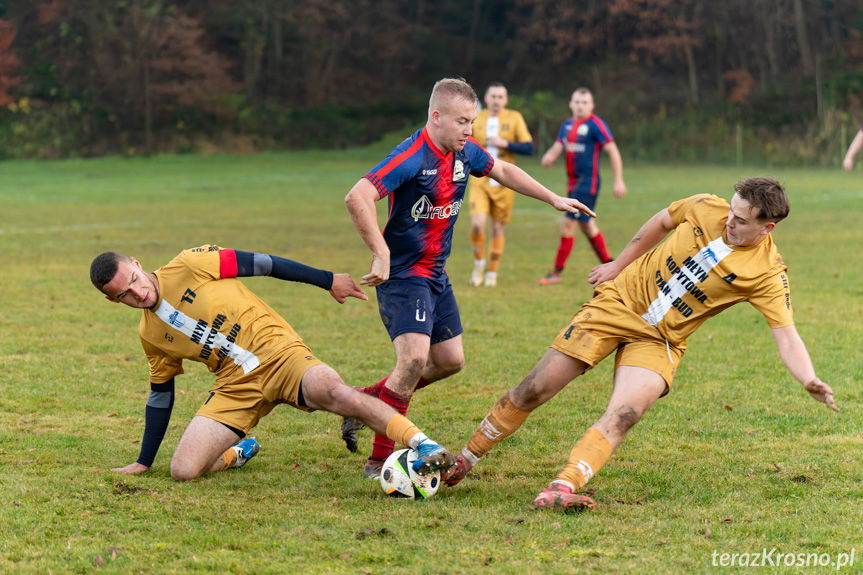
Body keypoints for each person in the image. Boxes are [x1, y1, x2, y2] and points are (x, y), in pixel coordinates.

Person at [442, 177, 839, 511]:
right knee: (534, 389)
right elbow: (663, 220)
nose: (729, 221)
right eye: (731, 211)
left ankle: (563, 486)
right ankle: (465, 458)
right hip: (618, 303)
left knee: (626, 413)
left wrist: (808, 379)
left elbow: (786, 334)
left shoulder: (768, 272)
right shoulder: (705, 206)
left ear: (767, 228)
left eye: (741, 220)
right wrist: (619, 263)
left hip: (661, 339)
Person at [342, 77, 596, 479]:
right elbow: (357, 196)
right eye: (462, 121)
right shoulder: (410, 156)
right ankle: (380, 460)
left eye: (472, 122)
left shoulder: (464, 153)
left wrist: (553, 198)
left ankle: (362, 404)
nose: (469, 130)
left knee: (450, 361)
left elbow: (505, 170)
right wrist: (381, 251)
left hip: (436, 274)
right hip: (404, 275)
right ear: (436, 116)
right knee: (411, 362)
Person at [89, 245, 456, 481]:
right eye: (124, 295)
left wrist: (327, 280)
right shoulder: (150, 335)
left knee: (335, 392)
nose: (138, 293)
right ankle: (237, 452)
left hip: (281, 354)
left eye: (135, 280)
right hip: (235, 387)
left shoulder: (190, 264)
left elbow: (264, 264)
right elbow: (160, 395)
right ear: (113, 300)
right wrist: (143, 460)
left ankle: (423, 444)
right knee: (183, 471)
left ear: (137, 263)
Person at [538, 87, 627, 285]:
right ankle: (610, 264)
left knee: (568, 224)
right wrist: (549, 157)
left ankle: (556, 273)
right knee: (587, 225)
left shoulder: (596, 125)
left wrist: (618, 180)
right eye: (577, 102)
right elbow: (559, 145)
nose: (580, 105)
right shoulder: (567, 125)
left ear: (592, 105)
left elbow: (612, 150)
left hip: (588, 184)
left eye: (585, 102)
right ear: (571, 104)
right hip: (573, 183)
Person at [467, 82, 534, 287]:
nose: (496, 100)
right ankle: (479, 264)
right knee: (477, 224)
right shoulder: (477, 117)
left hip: (505, 183)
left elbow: (529, 147)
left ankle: (492, 273)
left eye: (500, 97)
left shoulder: (514, 118)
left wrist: (506, 144)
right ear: (486, 99)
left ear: (506, 100)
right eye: (493, 96)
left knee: (497, 228)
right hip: (479, 180)